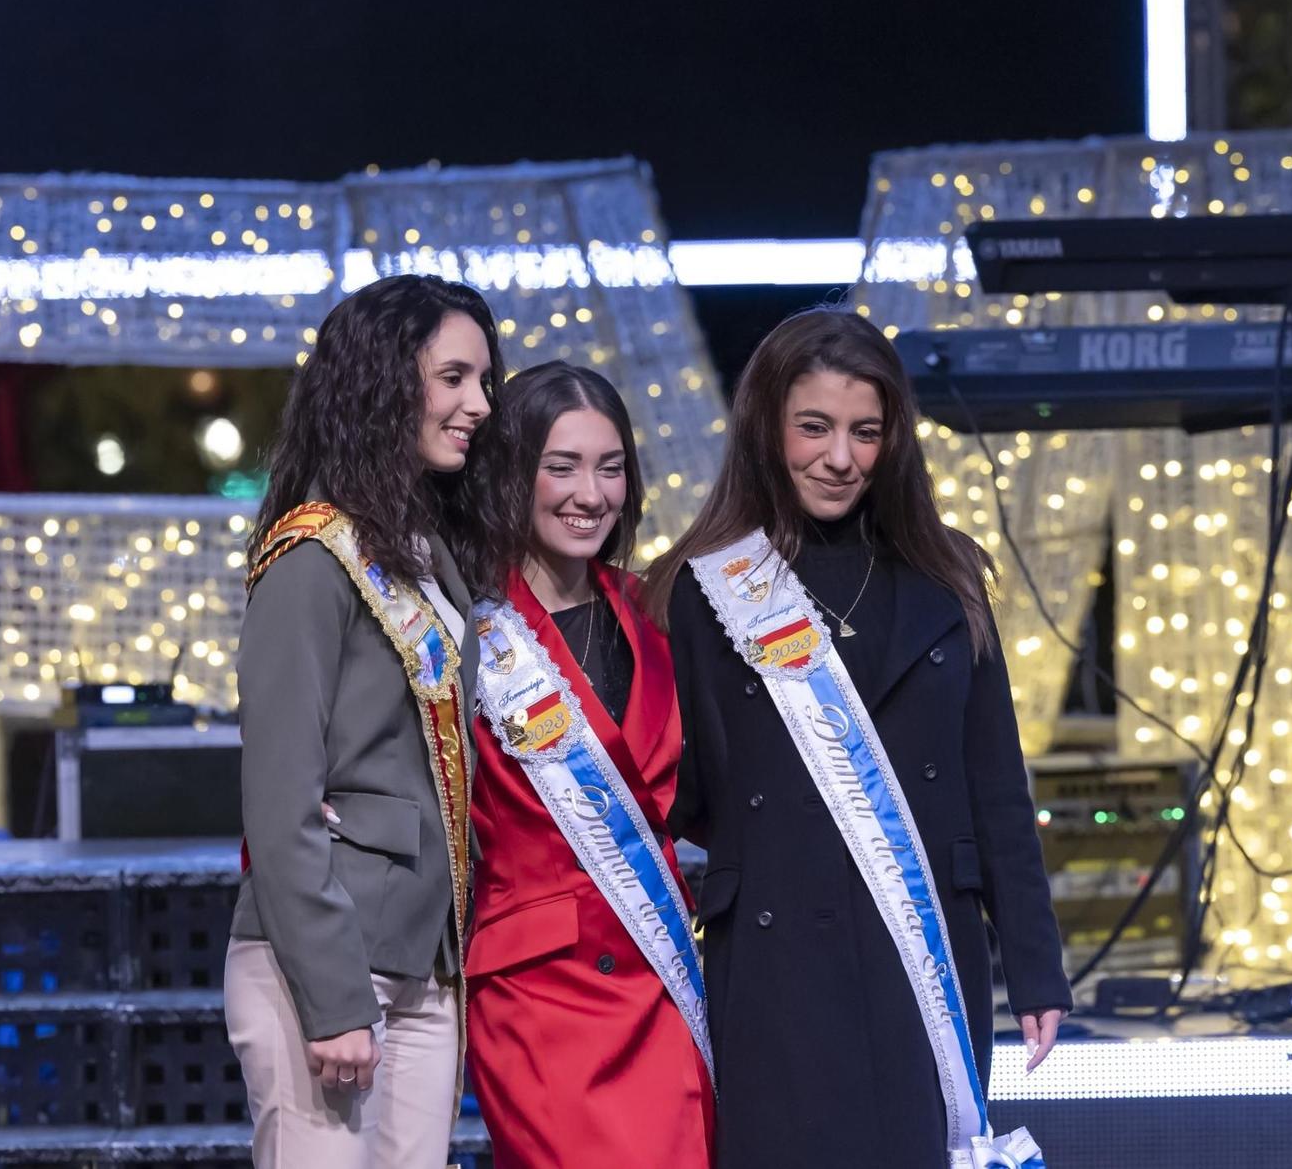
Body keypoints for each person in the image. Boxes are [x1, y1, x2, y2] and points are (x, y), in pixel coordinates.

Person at [648, 308, 1070, 1169]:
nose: (840, 457)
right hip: (775, 959)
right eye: (814, 427)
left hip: (924, 944)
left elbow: (995, 784)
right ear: (767, 425)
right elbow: (681, 793)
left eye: (865, 432)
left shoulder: (949, 577)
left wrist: (1035, 962)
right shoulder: (704, 589)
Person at [225, 274, 512, 1169]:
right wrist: (336, 996)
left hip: (426, 961)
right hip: (330, 960)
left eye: (484, 381)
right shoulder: (312, 556)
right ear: (385, 381)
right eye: (455, 377)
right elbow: (280, 800)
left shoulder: (421, 552)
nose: (480, 404)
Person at [463, 362, 713, 1169]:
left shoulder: (661, 613)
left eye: (610, 468)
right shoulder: (470, 630)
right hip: (541, 998)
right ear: (511, 472)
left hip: (662, 982)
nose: (590, 493)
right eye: (562, 466)